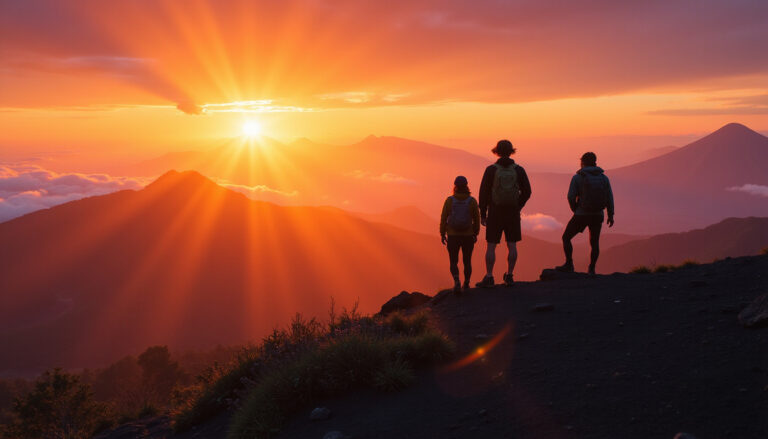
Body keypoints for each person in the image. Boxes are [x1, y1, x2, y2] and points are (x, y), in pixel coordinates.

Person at [476, 140, 532, 287]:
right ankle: (510, 275)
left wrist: (483, 213)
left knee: (491, 245)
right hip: (512, 212)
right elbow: (527, 191)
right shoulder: (519, 170)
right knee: (512, 244)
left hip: (495, 211)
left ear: (497, 151)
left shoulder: (491, 170)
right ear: (511, 151)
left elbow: (483, 193)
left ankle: (489, 276)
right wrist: (518, 205)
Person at [556, 152, 615, 275]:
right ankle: (592, 268)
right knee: (594, 243)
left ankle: (569, 264)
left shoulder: (578, 177)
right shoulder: (604, 178)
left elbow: (571, 196)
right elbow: (609, 197)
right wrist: (610, 215)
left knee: (566, 238)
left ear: (582, 162)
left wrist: (575, 209)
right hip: (598, 214)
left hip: (581, 214)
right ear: (595, 162)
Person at [440, 176, 481, 292]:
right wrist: (475, 233)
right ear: (467, 186)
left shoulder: (449, 201)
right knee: (467, 261)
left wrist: (442, 233)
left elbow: (443, 218)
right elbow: (476, 219)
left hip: (453, 236)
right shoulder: (472, 201)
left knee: (453, 261)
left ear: (455, 186)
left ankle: (456, 281)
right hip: (468, 236)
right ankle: (466, 283)